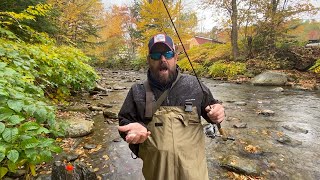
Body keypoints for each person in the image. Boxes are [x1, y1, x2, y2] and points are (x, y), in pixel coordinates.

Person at [118, 33, 225, 180]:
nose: (163, 59)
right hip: (156, 174)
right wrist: (131, 132)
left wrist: (217, 113)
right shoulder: (138, 90)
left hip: (194, 173)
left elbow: (212, 110)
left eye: (168, 54)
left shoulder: (194, 85)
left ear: (175, 57)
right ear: (149, 60)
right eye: (156, 55)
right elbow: (125, 122)